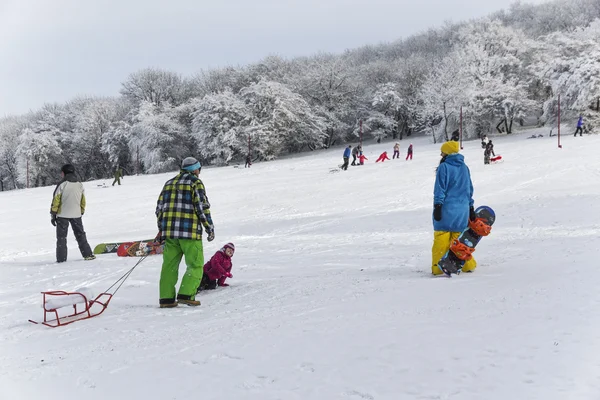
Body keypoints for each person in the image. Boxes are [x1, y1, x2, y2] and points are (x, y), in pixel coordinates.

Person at [155, 157, 215, 308]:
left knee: (169, 266)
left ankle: (166, 299)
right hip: (190, 233)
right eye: (199, 170)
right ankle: (186, 294)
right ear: (195, 169)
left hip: (170, 234)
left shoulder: (168, 183)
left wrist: (161, 229)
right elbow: (201, 207)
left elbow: (159, 209)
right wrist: (209, 228)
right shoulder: (195, 183)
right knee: (195, 264)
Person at [431, 141, 477, 275]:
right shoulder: (464, 167)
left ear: (447, 153)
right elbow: (469, 188)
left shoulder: (444, 167)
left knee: (442, 239)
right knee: (459, 241)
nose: (441, 154)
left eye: (442, 152)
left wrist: (438, 206)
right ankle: (467, 265)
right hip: (462, 210)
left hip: (446, 208)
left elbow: (440, 189)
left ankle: (439, 268)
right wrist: (471, 206)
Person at [50, 164, 95, 263]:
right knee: (80, 235)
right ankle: (88, 254)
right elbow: (83, 200)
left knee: (61, 238)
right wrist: (81, 211)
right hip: (76, 214)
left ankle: (61, 259)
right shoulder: (79, 184)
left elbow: (56, 200)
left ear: (64, 173)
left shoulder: (62, 184)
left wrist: (53, 214)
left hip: (62, 215)